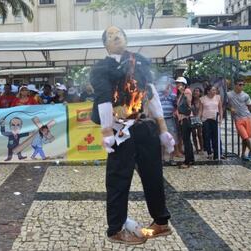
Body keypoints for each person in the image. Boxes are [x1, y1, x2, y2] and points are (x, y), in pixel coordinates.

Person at [90, 26, 173, 245]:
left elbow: (152, 93)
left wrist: (163, 128)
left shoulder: (141, 61)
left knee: (154, 175)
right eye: (110, 35)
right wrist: (106, 130)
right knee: (118, 179)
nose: (116, 37)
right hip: (120, 128)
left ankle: (161, 222)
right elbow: (104, 98)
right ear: (105, 44)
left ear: (126, 39)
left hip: (145, 126)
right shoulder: (101, 68)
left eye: (119, 34)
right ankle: (116, 229)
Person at [227, 79, 251, 161]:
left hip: (247, 118)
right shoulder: (229, 94)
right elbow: (225, 104)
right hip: (238, 119)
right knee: (245, 137)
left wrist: (246, 112)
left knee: (244, 137)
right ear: (235, 85)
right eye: (240, 84)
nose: (241, 86)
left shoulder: (246, 95)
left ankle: (243, 154)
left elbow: (250, 106)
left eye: (243, 85)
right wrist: (230, 108)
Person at [157, 76, 178, 166]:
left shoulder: (173, 96)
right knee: (161, 140)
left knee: (171, 139)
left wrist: (175, 111)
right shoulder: (158, 95)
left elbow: (177, 105)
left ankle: (171, 159)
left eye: (167, 85)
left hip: (170, 119)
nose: (165, 87)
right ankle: (162, 159)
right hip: (161, 120)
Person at [176, 77, 195, 168]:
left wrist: (183, 92)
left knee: (186, 140)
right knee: (186, 140)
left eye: (179, 83)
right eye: (177, 83)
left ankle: (187, 161)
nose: (177, 85)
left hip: (186, 119)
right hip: (182, 119)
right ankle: (190, 159)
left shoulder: (187, 91)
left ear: (183, 84)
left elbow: (188, 103)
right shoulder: (180, 94)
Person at [200, 85, 223, 160]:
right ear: (208, 91)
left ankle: (217, 153)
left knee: (216, 137)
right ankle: (209, 153)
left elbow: (220, 109)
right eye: (213, 90)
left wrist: (221, 118)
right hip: (205, 119)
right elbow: (201, 110)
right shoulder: (202, 99)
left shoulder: (218, 97)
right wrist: (198, 119)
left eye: (215, 90)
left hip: (215, 119)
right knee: (206, 136)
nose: (214, 91)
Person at [191, 87, 204, 154]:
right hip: (192, 119)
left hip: (200, 119)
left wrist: (199, 117)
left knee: (200, 134)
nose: (195, 92)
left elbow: (202, 110)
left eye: (197, 91)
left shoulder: (202, 100)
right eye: (194, 91)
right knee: (193, 134)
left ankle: (202, 148)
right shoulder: (191, 101)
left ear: (200, 93)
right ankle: (196, 149)